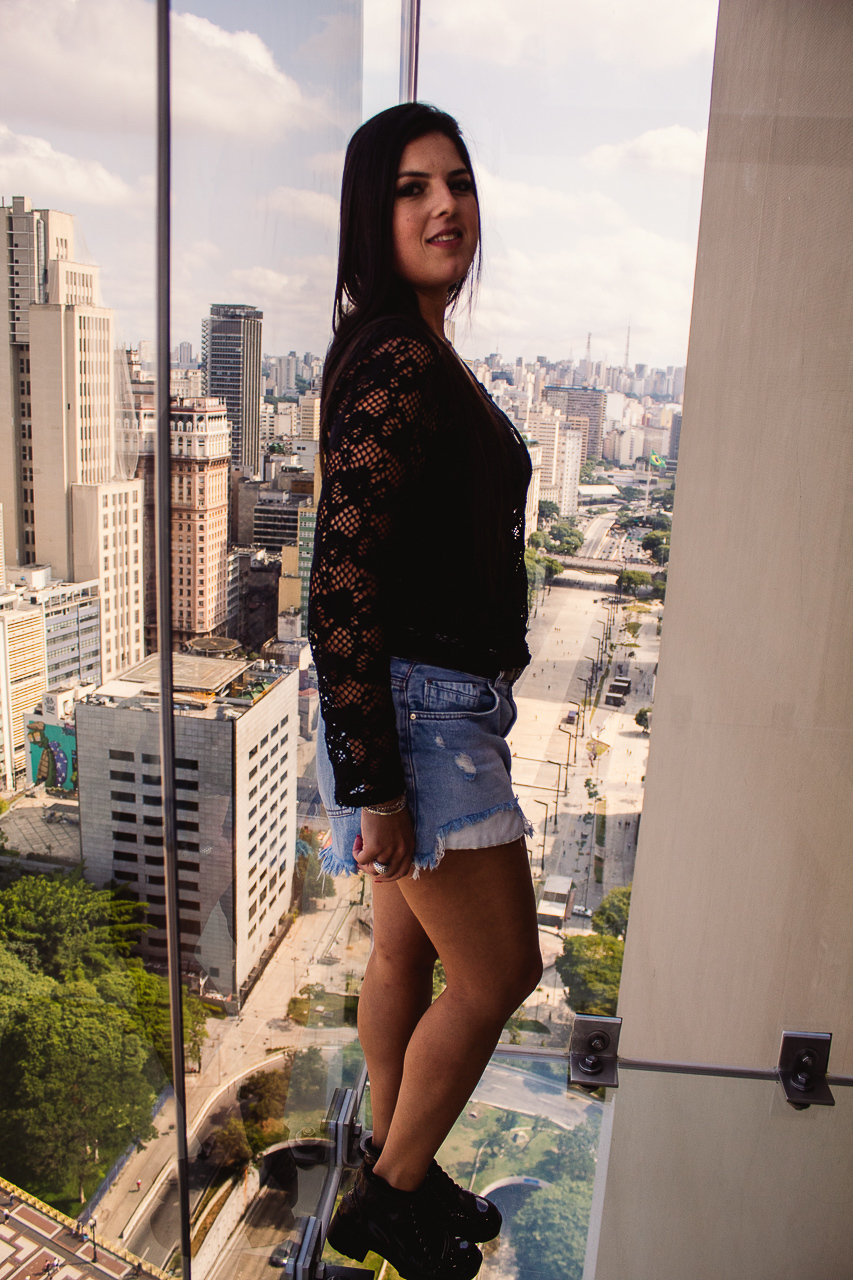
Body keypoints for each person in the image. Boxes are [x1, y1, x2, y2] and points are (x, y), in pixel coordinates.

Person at [309, 103, 542, 1280]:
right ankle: (392, 1195)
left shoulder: (406, 349)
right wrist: (377, 782)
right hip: (422, 717)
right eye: (411, 187)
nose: (445, 204)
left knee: (402, 957)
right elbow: (338, 582)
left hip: (418, 710)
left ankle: (392, 1152)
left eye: (457, 181)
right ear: (373, 213)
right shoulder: (401, 355)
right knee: (501, 972)